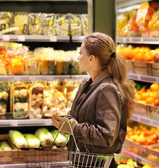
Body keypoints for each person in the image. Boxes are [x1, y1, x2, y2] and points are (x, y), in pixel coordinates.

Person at [52, 32, 135, 167]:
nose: (78, 58)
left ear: (91, 59)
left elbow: (106, 135)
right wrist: (68, 121)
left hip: (98, 164)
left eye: (81, 53)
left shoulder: (107, 89)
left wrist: (73, 128)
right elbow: (79, 117)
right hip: (83, 161)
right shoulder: (86, 84)